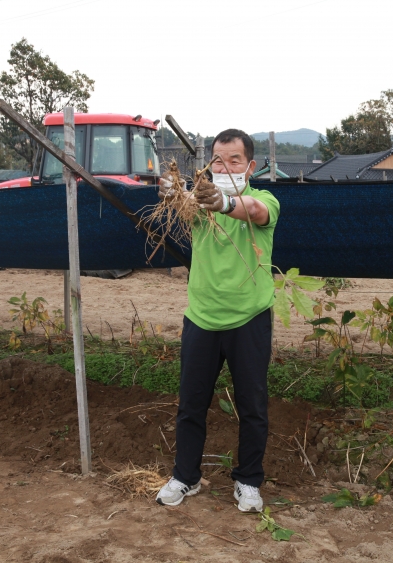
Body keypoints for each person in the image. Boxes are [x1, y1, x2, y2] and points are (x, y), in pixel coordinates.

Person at [155, 129, 280, 513]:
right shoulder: (197, 203)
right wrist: (173, 193)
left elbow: (254, 213)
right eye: (218, 161)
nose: (225, 167)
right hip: (202, 319)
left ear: (251, 166)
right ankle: (186, 476)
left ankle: (248, 481)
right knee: (191, 404)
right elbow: (182, 203)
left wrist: (225, 202)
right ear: (208, 165)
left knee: (252, 406)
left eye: (234, 160)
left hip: (249, 319)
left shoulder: (264, 200)